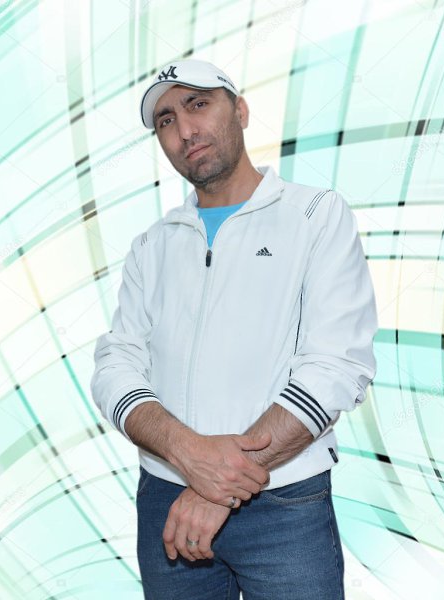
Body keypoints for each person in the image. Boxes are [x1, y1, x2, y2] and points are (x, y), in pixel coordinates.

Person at [90, 58, 378, 599]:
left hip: (283, 502)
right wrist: (187, 454)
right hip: (167, 502)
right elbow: (115, 364)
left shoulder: (315, 215)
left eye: (198, 104)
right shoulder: (152, 246)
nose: (184, 130)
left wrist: (217, 486)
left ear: (240, 110)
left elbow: (338, 364)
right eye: (166, 121)